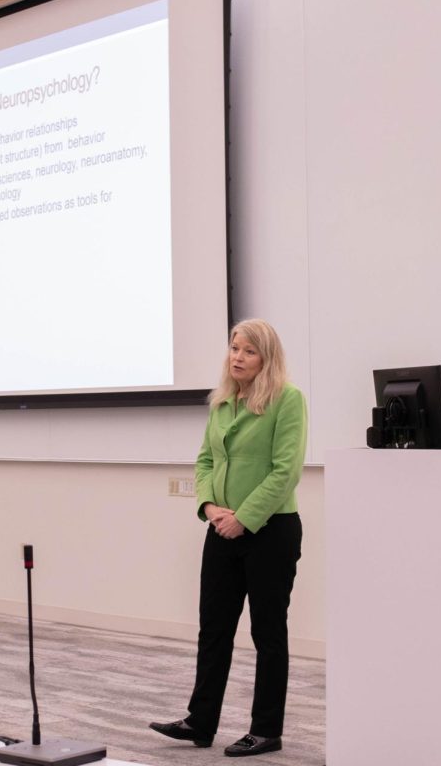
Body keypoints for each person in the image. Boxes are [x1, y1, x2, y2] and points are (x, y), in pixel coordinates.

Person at [150, 318, 307, 758]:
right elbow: (203, 462)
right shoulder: (222, 402)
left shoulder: (287, 401)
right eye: (234, 348)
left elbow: (286, 470)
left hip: (270, 531)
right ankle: (200, 721)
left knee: (267, 633)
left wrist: (245, 517)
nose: (237, 357)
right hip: (221, 529)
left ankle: (266, 729)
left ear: (266, 359)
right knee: (214, 629)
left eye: (248, 351)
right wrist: (209, 507)